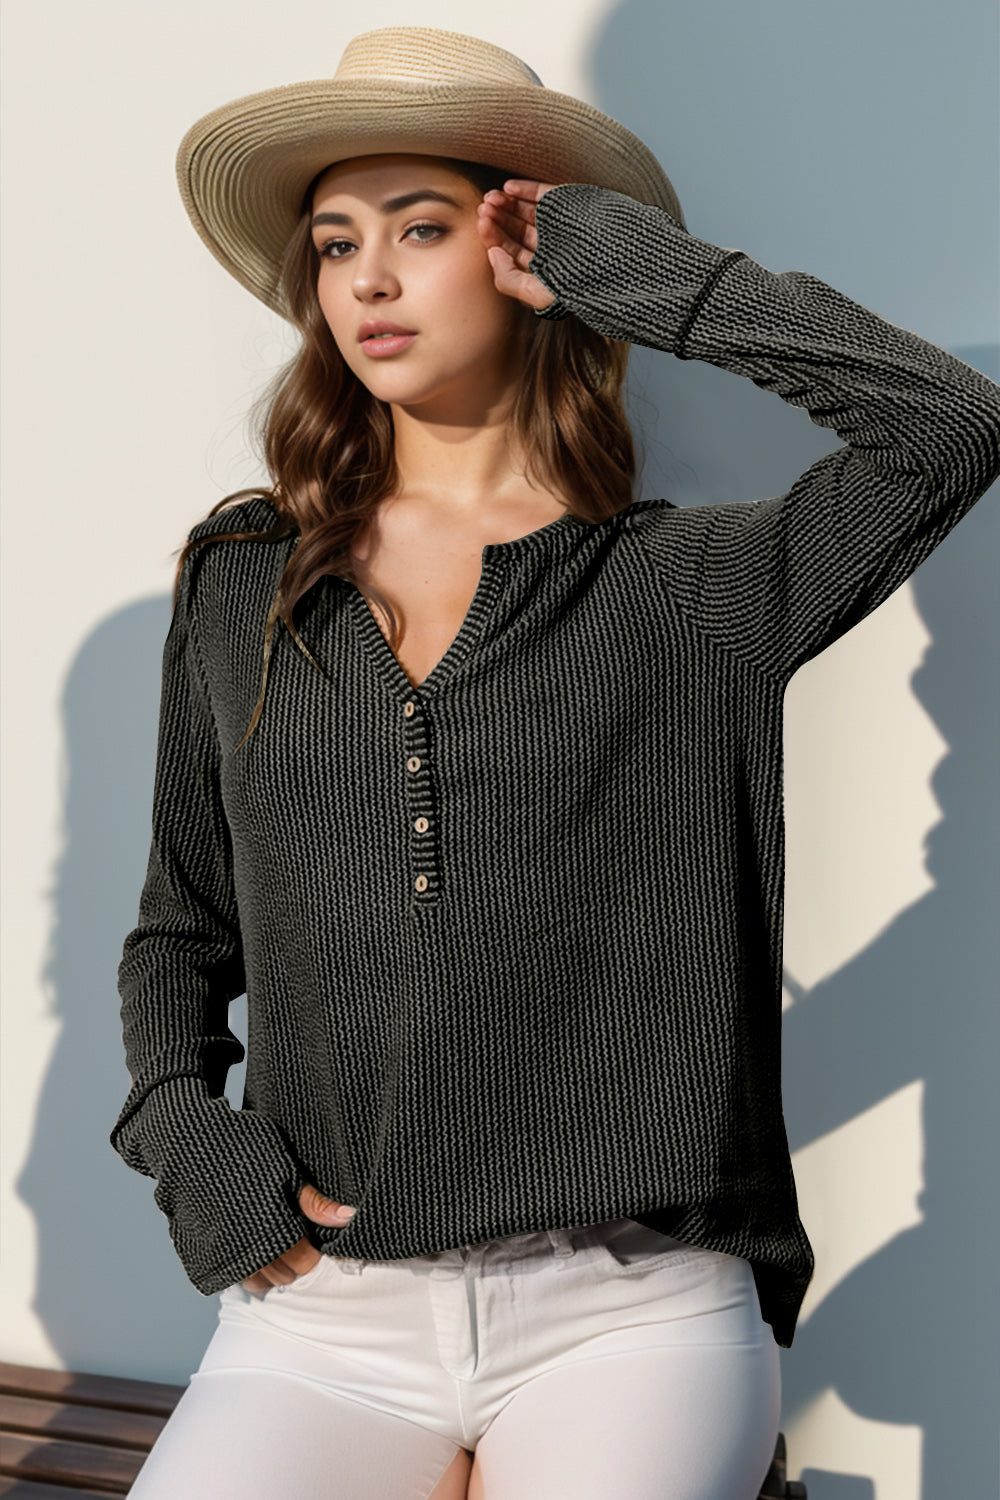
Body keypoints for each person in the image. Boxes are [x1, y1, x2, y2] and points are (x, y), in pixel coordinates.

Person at [109, 24, 1000, 1500]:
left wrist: (638, 273)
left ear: (522, 252)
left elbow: (949, 427)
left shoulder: (693, 590)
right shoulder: (247, 578)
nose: (368, 280)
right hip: (322, 1317)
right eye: (334, 244)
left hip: (632, 1317)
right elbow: (179, 928)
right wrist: (187, 1138)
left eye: (420, 229)